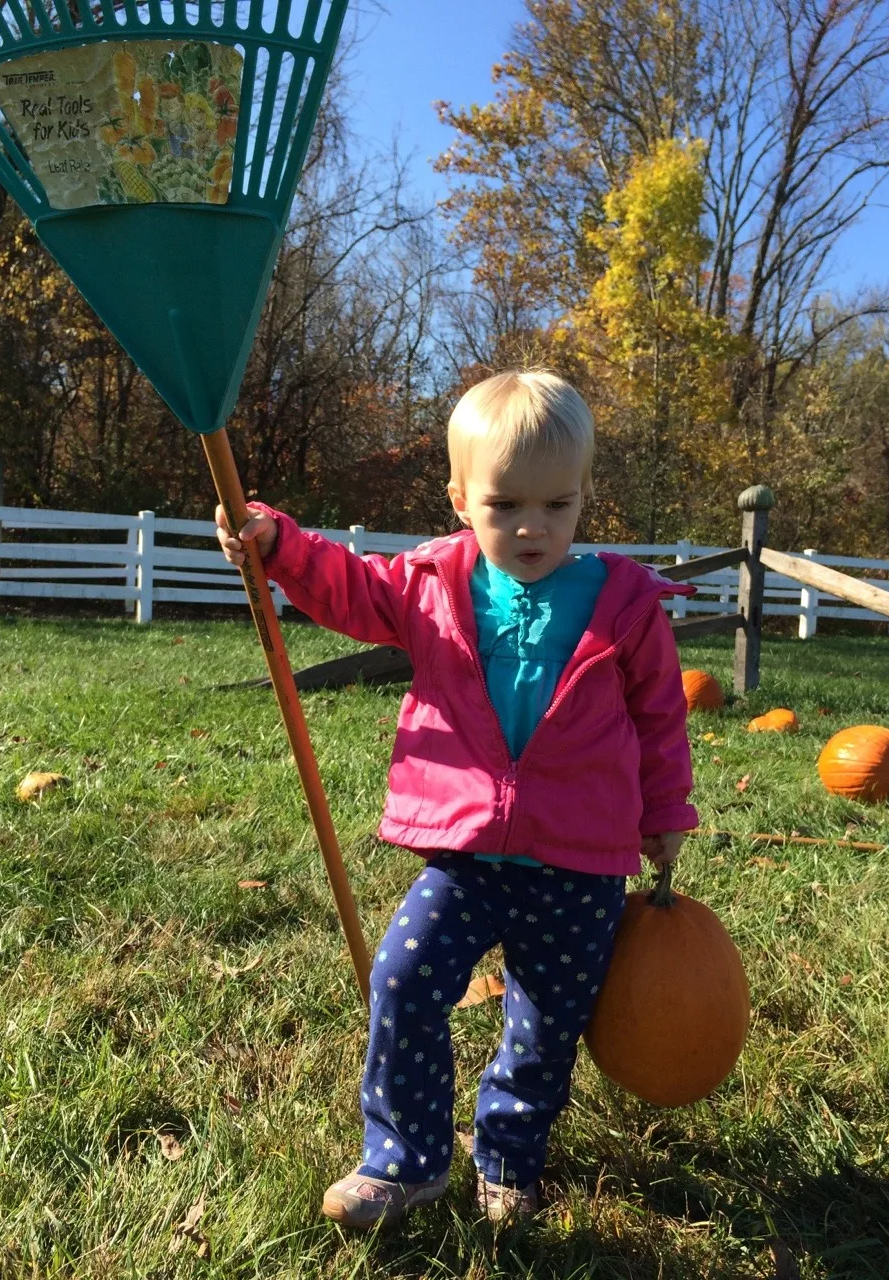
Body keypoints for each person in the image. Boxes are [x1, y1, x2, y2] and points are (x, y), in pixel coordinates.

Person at [215, 369, 698, 1230]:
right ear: (459, 499)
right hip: (467, 853)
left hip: (578, 861)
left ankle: (509, 1159)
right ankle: (404, 1161)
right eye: (505, 503)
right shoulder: (432, 582)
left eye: (557, 505)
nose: (531, 527)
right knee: (401, 979)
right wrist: (279, 544)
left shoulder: (623, 604)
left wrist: (664, 814)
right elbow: (350, 591)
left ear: (585, 496)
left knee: (545, 1025)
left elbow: (660, 715)